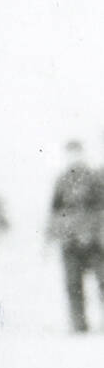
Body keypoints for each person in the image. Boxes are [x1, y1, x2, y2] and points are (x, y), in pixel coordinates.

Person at [46, 140, 104, 332]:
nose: (74, 158)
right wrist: (51, 236)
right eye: (70, 154)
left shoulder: (95, 177)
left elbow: (100, 206)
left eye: (77, 153)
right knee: (73, 283)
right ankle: (79, 325)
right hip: (70, 239)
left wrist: (95, 230)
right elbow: (54, 210)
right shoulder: (61, 180)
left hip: (94, 238)